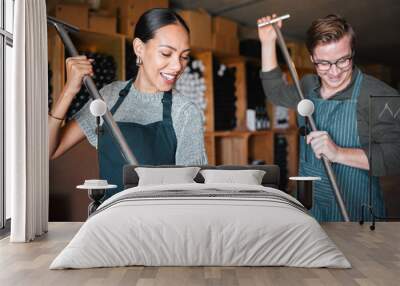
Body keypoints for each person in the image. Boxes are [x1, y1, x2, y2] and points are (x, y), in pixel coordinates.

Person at [49, 8, 208, 198]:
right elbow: (50, 151)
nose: (177, 66)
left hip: (158, 223)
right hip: (109, 220)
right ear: (139, 48)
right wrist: (69, 90)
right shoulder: (109, 97)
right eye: (166, 53)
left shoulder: (185, 112)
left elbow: (193, 193)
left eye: (183, 56)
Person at [258, 14, 400, 221]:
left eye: (343, 60)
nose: (334, 72)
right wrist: (268, 43)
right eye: (323, 63)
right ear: (311, 59)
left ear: (352, 52)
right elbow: (276, 92)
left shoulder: (378, 95)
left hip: (356, 212)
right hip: (310, 207)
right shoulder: (306, 86)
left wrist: (338, 153)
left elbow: (395, 155)